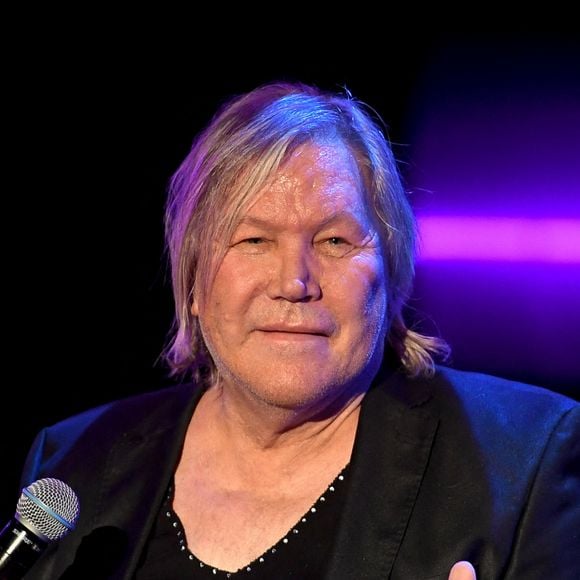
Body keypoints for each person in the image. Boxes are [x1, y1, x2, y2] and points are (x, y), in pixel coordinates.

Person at [15, 82, 579, 579]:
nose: (295, 281)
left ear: (391, 270)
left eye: (335, 241)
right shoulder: (75, 462)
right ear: (192, 282)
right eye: (254, 240)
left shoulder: (524, 462)